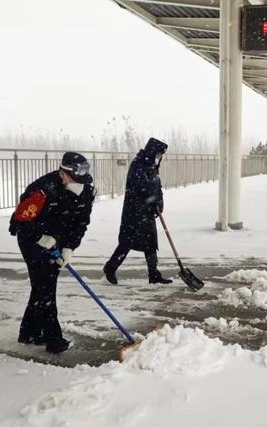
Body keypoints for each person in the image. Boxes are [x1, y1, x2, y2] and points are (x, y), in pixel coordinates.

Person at [9, 152, 96, 354]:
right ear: (62, 173)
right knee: (45, 287)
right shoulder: (43, 190)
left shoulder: (86, 191)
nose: (68, 181)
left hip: (58, 240)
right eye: (66, 177)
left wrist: (69, 248)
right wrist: (40, 238)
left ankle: (29, 333)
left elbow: (81, 224)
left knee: (43, 287)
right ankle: (53, 339)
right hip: (32, 239)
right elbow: (21, 221)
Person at [103, 137, 172, 285]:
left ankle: (153, 274)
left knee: (150, 242)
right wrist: (152, 199)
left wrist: (159, 201)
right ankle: (110, 267)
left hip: (147, 211)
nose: (159, 157)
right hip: (134, 212)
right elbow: (142, 186)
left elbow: (156, 186)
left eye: (161, 155)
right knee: (127, 242)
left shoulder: (152, 166)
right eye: (158, 154)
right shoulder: (138, 165)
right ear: (152, 151)